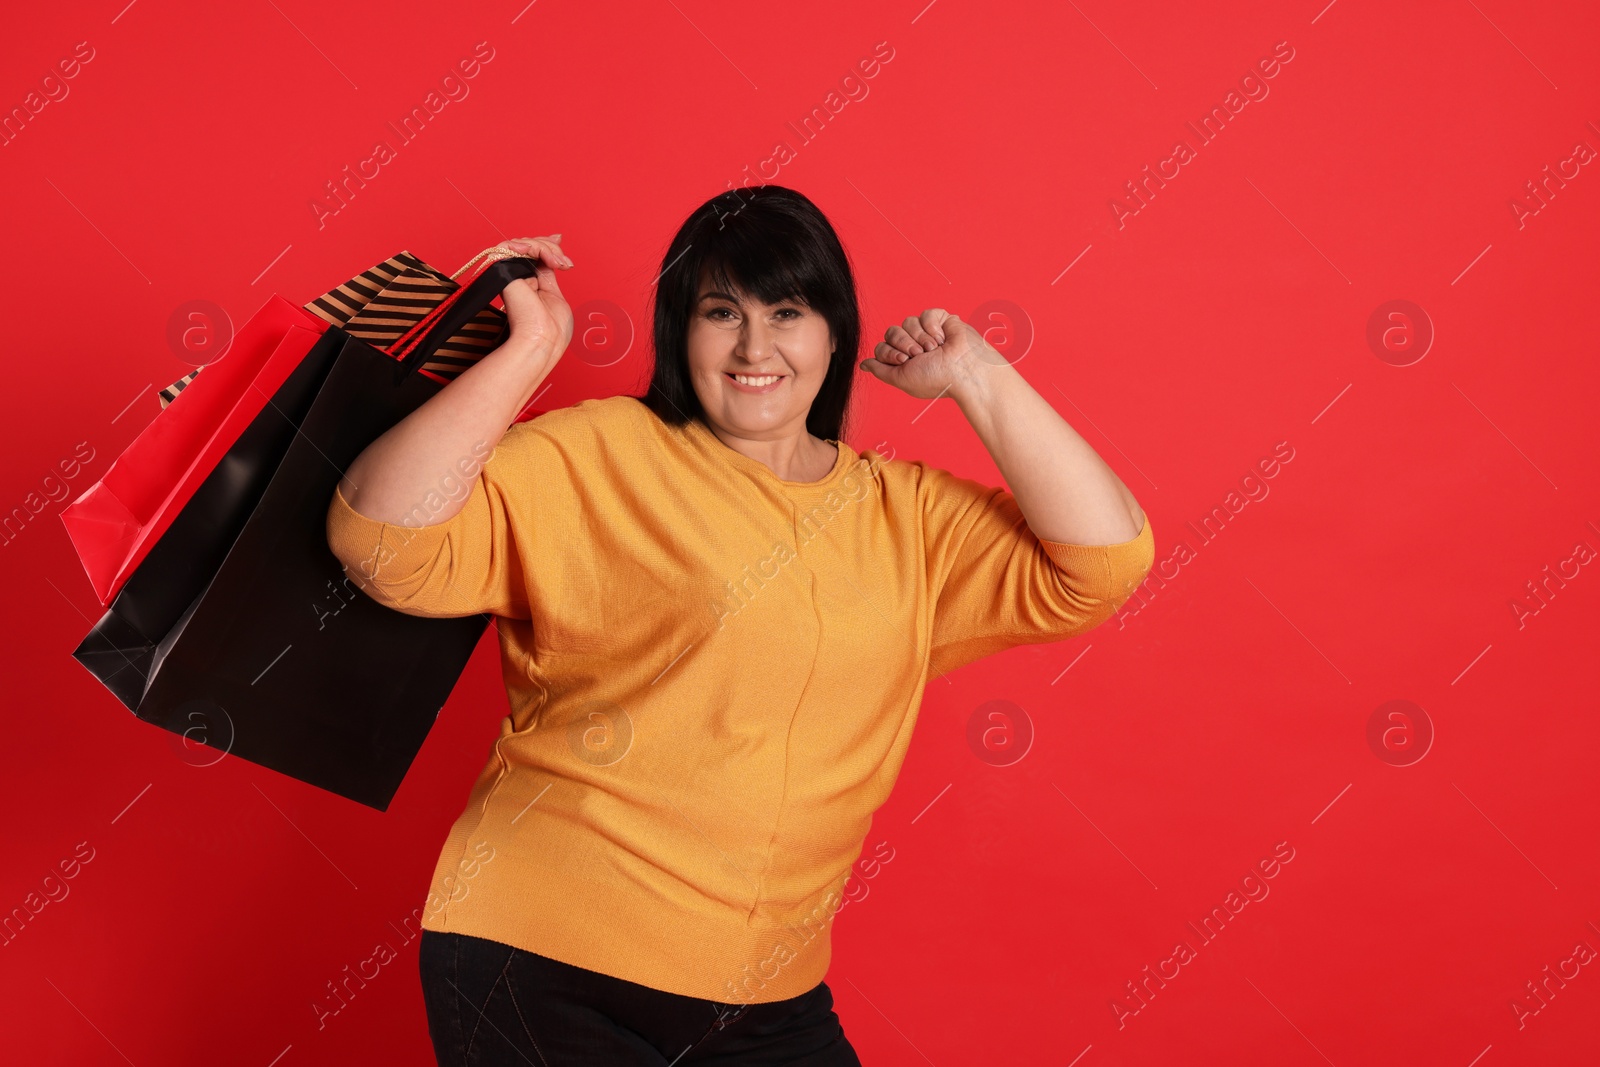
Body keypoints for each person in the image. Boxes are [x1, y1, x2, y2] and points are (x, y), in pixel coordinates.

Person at [325, 185, 1154, 1066]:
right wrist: (532, 348)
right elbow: (379, 538)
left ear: (834, 334)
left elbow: (1105, 562)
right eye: (722, 312)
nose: (755, 347)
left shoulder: (905, 517)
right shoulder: (601, 452)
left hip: (765, 992)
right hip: (544, 953)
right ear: (682, 330)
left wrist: (979, 377)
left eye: (787, 312)